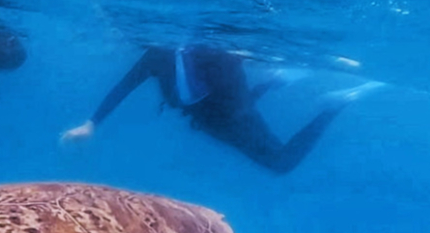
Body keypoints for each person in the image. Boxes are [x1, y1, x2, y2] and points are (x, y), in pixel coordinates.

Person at [60, 43, 380, 174]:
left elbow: (125, 85)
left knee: (281, 162)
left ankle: (330, 105)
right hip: (223, 110)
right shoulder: (170, 50)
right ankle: (274, 82)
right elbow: (125, 85)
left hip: (224, 114)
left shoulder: (159, 53)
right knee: (251, 124)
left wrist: (92, 123)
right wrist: (92, 123)